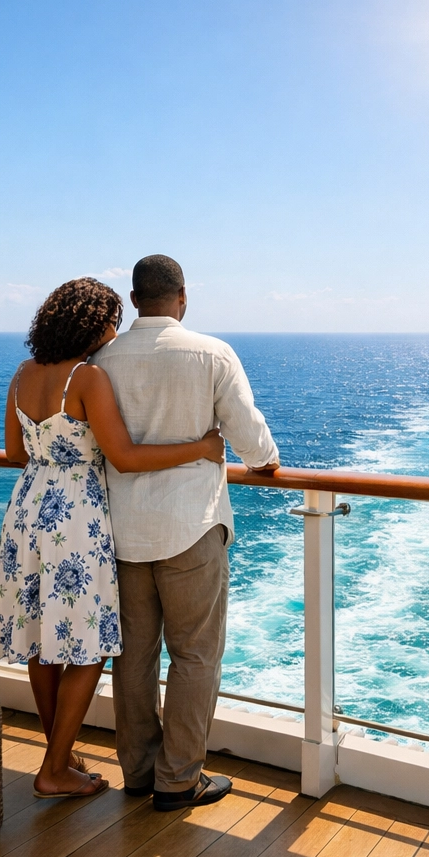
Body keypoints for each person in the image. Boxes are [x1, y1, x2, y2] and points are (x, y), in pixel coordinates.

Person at [0, 277, 225, 799]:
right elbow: (126, 457)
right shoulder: (87, 378)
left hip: (27, 510)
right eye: (111, 319)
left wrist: (52, 463)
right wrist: (201, 447)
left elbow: (13, 453)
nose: (115, 330)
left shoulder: (23, 374)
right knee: (89, 646)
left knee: (41, 640)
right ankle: (52, 770)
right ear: (94, 323)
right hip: (75, 519)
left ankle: (61, 756)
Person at [95, 254, 280, 811]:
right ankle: (178, 780)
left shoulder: (100, 360)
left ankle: (139, 772)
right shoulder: (211, 353)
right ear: (182, 298)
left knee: (132, 656)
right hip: (190, 527)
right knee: (196, 655)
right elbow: (249, 436)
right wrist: (267, 461)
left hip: (121, 531)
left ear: (133, 300)